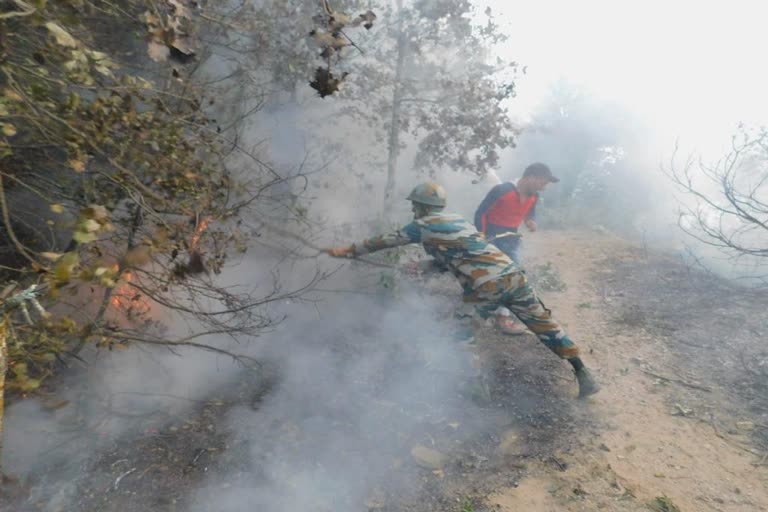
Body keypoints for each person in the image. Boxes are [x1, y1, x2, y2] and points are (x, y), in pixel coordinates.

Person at [326, 182, 600, 399]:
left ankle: (476, 389)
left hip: (485, 285)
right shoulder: (457, 221)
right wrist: (425, 266)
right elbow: (459, 256)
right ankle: (583, 374)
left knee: (460, 330)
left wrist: (349, 250)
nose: (413, 210)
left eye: (415, 206)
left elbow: (384, 241)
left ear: (421, 207)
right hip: (514, 277)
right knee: (545, 325)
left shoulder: (422, 225)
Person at [474, 162, 560, 335]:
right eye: (543, 183)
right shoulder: (502, 190)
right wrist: (481, 235)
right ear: (531, 178)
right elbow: (481, 213)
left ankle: (502, 316)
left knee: (514, 277)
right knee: (490, 276)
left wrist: (530, 221)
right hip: (491, 238)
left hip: (512, 240)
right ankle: (481, 310)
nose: (544, 187)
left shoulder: (534, 196)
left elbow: (530, 212)